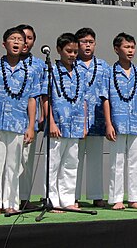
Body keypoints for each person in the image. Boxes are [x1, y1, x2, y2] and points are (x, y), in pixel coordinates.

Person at [0, 27, 40, 215]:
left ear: (24, 45)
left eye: (20, 40)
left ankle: (11, 202)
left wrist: (31, 126)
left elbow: (32, 99)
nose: (16, 42)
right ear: (4, 43)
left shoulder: (30, 71)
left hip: (18, 123)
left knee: (14, 165)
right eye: (12, 39)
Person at [102, 33, 137, 210]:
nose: (130, 51)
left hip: (136, 122)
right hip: (118, 122)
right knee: (117, 161)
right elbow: (106, 99)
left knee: (135, 161)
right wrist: (108, 124)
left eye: (132, 47)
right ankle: (116, 198)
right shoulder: (109, 72)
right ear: (117, 49)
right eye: (126, 47)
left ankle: (133, 197)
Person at [43, 33, 86, 211]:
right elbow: (45, 98)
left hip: (74, 125)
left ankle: (68, 199)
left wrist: (83, 124)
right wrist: (51, 122)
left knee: (70, 163)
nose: (72, 55)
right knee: (53, 165)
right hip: (58, 125)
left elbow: (83, 100)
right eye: (69, 51)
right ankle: (52, 200)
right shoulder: (50, 70)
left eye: (75, 51)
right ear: (59, 50)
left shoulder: (79, 72)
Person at [74, 27, 110, 207]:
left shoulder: (104, 66)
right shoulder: (71, 64)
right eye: (83, 42)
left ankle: (97, 195)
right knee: (75, 158)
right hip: (76, 120)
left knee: (96, 158)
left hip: (97, 119)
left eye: (91, 42)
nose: (87, 46)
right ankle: (73, 196)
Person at [17, 24, 45, 209]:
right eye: (22, 38)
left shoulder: (40, 65)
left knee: (27, 161)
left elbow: (43, 92)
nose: (26, 42)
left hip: (30, 120)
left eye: (30, 38)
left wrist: (43, 115)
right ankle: (6, 198)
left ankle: (24, 198)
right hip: (9, 119)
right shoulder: (5, 63)